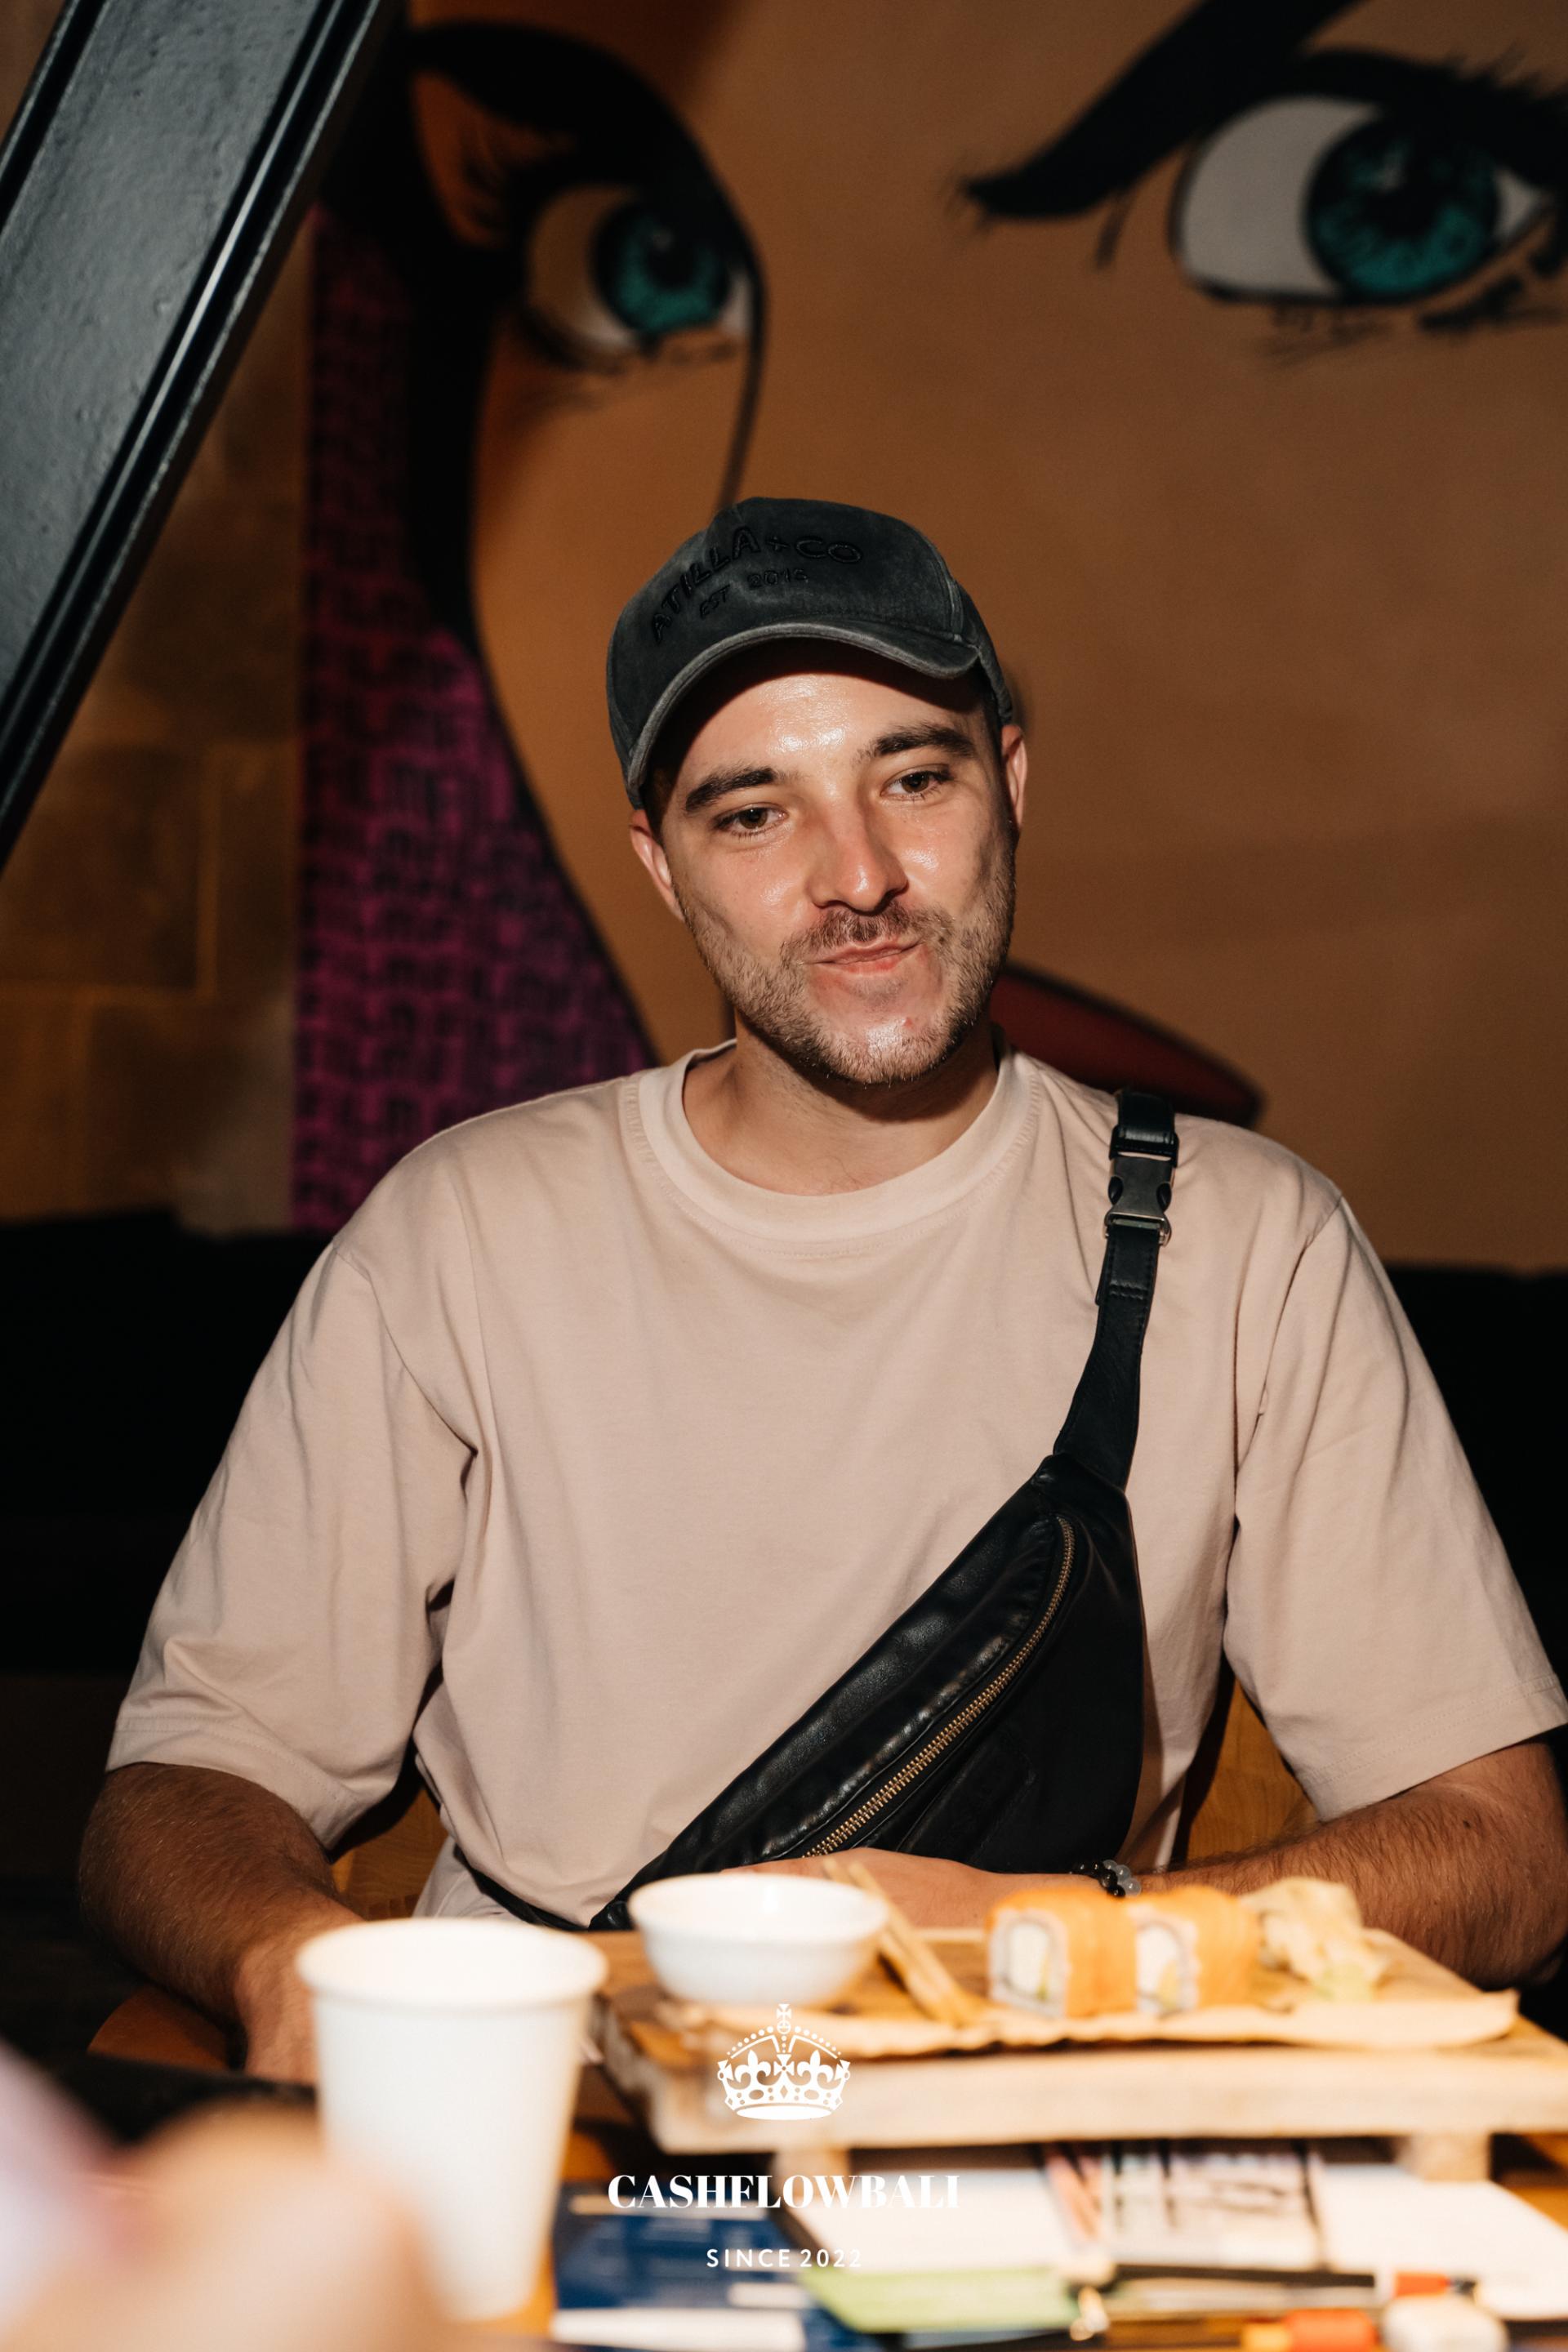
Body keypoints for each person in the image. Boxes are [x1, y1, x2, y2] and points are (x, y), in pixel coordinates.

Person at [82, 498, 1568, 2082]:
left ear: (1009, 784)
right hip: (557, 2114)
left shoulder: (1246, 1240)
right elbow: (182, 1786)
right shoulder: (463, 1232)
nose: (858, 875)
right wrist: (282, 1959)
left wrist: (1065, 1941)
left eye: (913, 779)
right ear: (661, 866)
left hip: (1014, 2114)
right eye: (753, 814)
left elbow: (1505, 1853)